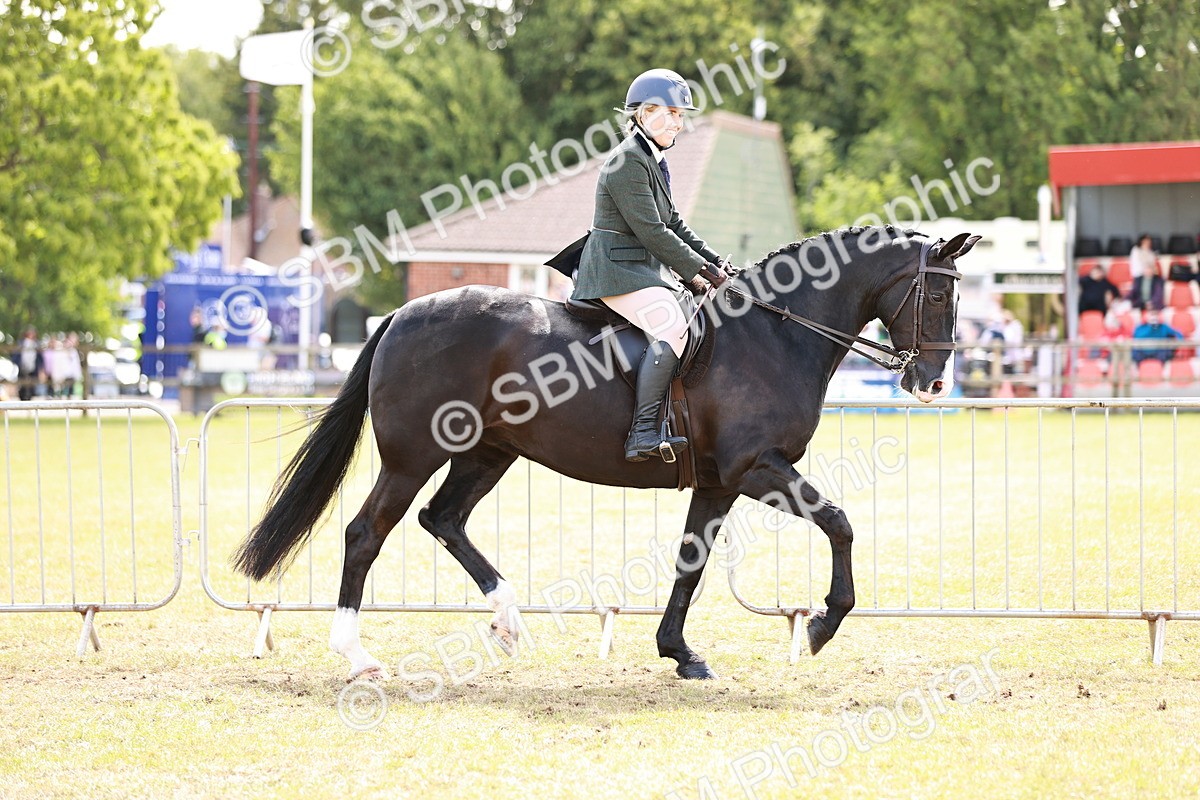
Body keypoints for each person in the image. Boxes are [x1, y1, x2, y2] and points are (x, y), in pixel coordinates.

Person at [570, 68, 729, 462]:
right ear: (644, 114)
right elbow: (653, 232)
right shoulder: (627, 161)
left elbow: (674, 223)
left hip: (640, 269)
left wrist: (716, 262)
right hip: (614, 270)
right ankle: (642, 434)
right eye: (671, 113)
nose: (678, 123)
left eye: (680, 115)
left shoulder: (652, 159)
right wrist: (701, 272)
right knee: (674, 326)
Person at [12, 327, 45, 401]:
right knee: (22, 385)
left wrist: (41, 368)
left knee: (31, 386)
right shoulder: (21, 343)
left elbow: (40, 358)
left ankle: (29, 398)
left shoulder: (36, 344)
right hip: (22, 368)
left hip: (33, 368)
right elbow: (15, 355)